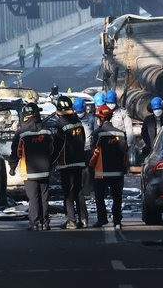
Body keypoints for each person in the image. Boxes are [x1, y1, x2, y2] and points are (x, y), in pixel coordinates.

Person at [9, 103, 55, 231]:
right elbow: (52, 149)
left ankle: (34, 223)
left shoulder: (21, 133)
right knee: (44, 196)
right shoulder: (46, 130)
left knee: (33, 198)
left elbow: (16, 152)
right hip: (45, 170)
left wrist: (12, 167)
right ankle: (45, 222)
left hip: (28, 172)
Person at [89, 105, 128, 229]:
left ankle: (102, 219)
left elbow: (94, 152)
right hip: (117, 172)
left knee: (99, 197)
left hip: (101, 173)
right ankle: (117, 220)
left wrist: (91, 166)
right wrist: (124, 168)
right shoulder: (121, 133)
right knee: (117, 197)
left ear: (100, 118)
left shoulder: (97, 134)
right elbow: (124, 152)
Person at [53, 96, 88, 229]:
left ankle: (71, 221)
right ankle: (83, 219)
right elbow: (83, 140)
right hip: (79, 161)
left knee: (68, 192)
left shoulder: (60, 124)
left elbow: (57, 146)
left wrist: (52, 161)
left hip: (66, 163)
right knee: (78, 191)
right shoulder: (78, 122)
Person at [105, 90, 134, 165]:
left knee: (119, 162)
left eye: (112, 103)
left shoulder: (122, 112)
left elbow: (128, 127)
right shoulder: (103, 111)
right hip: (106, 141)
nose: (111, 105)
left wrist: (129, 143)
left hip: (120, 142)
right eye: (109, 103)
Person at [74, 97, 96, 197]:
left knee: (89, 170)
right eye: (77, 111)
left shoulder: (92, 119)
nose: (79, 113)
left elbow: (96, 133)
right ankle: (79, 190)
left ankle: (90, 189)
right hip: (76, 149)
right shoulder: (72, 119)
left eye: (81, 111)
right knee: (79, 171)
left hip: (88, 148)